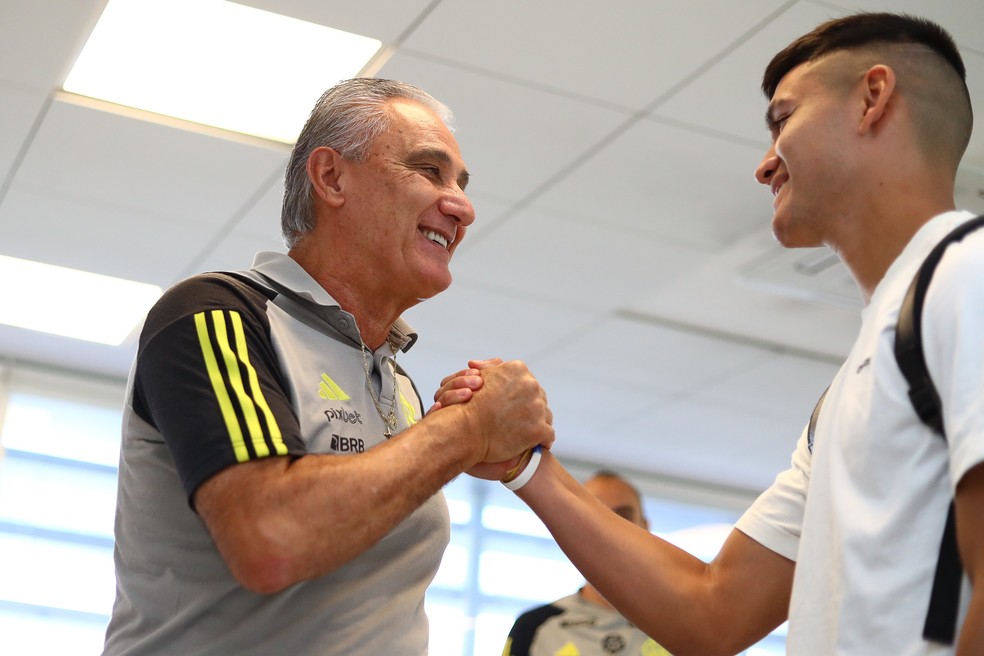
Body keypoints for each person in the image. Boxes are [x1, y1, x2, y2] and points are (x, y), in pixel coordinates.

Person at [437, 12, 983, 655]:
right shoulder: (851, 387)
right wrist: (527, 469)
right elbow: (713, 611)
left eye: (783, 120)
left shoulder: (967, 274)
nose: (765, 164)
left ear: (873, 99)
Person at [101, 78, 554, 656]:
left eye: (461, 184)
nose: (462, 206)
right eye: (429, 171)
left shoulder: (401, 386)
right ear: (331, 177)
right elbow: (271, 540)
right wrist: (465, 431)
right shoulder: (218, 313)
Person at [502, 471, 669, 656]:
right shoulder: (534, 627)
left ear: (645, 527)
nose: (610, 528)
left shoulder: (681, 624)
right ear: (574, 527)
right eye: (594, 515)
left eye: (624, 516)